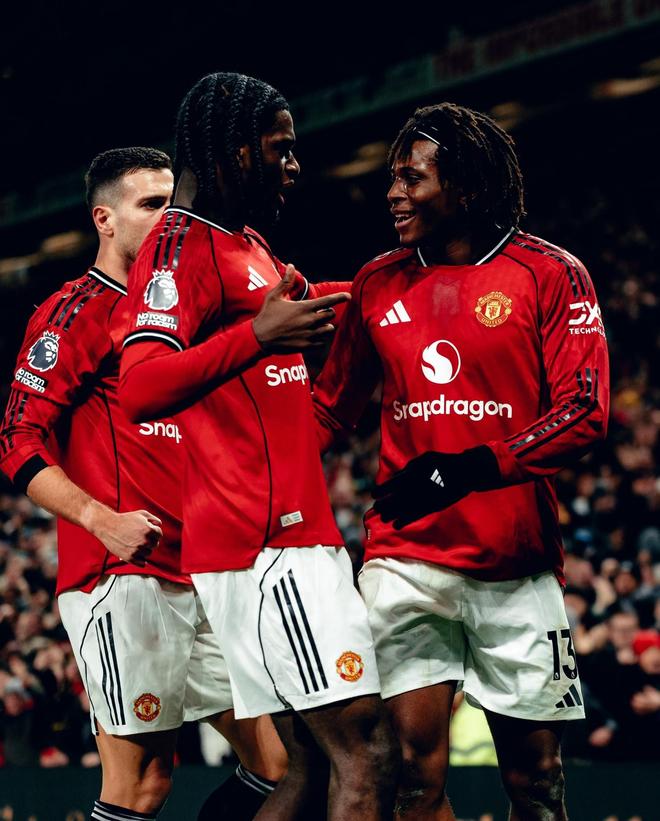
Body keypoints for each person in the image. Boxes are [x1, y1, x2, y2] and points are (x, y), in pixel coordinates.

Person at [313, 103, 610, 820]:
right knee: (409, 776)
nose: (394, 193)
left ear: (468, 186)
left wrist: (468, 469)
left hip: (516, 562)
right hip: (405, 559)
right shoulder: (377, 282)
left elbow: (586, 409)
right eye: (392, 178)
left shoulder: (550, 273)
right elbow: (327, 412)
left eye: (412, 178)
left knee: (536, 782)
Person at [119, 72, 399, 821]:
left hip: (281, 537)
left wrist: (387, 284)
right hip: (265, 544)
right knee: (367, 752)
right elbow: (140, 388)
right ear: (238, 150)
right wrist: (259, 335)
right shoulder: (176, 248)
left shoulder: (246, 244)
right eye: (282, 149)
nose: (294, 165)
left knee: (308, 768)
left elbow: (301, 319)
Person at [0, 147, 286, 821]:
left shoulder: (188, 308)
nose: (167, 217)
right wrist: (100, 519)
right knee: (143, 783)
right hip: (123, 575)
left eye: (172, 203)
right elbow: (16, 439)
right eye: (150, 204)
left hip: (206, 571)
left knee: (280, 766)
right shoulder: (75, 313)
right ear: (104, 219)